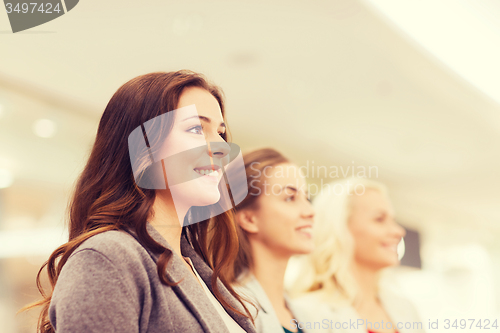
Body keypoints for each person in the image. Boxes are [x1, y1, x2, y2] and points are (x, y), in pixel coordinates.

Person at [22, 70, 256, 333]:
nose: (221, 148)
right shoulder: (106, 257)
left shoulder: (197, 267)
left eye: (221, 133)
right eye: (196, 128)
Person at [289, 178, 425, 333]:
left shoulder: (405, 308)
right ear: (340, 228)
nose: (398, 231)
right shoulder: (307, 312)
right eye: (379, 219)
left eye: (393, 220)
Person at [230, 148, 319, 333]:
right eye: (290, 198)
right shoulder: (233, 307)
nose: (310, 211)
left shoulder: (304, 316)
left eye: (306, 197)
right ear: (248, 219)